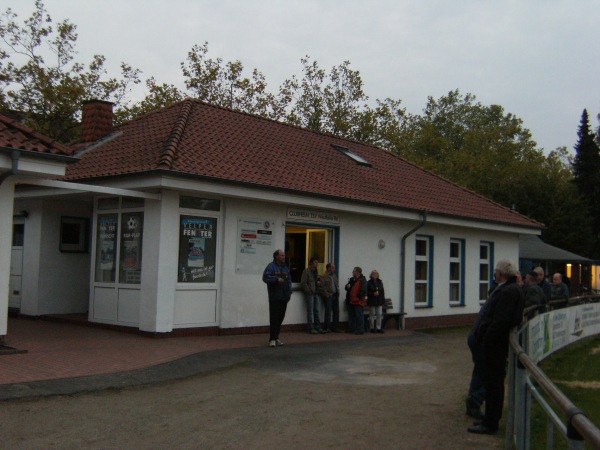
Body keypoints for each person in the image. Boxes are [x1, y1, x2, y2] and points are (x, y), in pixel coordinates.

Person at [467, 259, 525, 435]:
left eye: (496, 271)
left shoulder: (508, 292)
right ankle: (488, 419)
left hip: (494, 346)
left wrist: (486, 341)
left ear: (501, 273)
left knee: (494, 384)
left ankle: (490, 422)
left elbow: (499, 320)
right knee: (492, 383)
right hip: (495, 344)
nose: (495, 274)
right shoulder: (511, 289)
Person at [262, 249, 292, 347]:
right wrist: (276, 279)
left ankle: (276, 337)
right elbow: (265, 278)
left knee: (280, 318)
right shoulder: (271, 267)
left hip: (284, 296)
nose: (284, 257)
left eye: (284, 255)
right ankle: (272, 339)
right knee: (274, 318)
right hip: (275, 296)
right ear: (276, 256)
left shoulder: (285, 267)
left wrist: (289, 293)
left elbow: (289, 281)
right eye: (282, 255)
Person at [301, 257, 325, 334]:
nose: (317, 264)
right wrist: (309, 290)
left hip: (316, 293)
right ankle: (311, 328)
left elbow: (316, 281)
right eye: (315, 262)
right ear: (311, 263)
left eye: (317, 262)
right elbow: (303, 283)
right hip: (310, 293)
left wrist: (319, 283)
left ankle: (318, 327)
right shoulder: (306, 271)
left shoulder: (316, 272)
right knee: (310, 311)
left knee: (316, 310)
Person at [345, 266, 367, 334]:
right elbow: (346, 288)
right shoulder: (352, 279)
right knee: (351, 315)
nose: (352, 272)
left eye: (353, 271)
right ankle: (351, 328)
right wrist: (347, 286)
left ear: (358, 272)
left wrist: (358, 297)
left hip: (358, 301)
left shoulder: (363, 280)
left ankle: (360, 329)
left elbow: (363, 290)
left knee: (359, 315)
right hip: (351, 300)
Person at [319, 262, 340, 332]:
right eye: (332, 267)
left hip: (335, 295)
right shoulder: (323, 276)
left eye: (334, 267)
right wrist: (326, 294)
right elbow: (322, 287)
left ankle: (335, 327)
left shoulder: (334, 276)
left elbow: (336, 285)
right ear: (328, 268)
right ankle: (326, 327)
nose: (334, 269)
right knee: (328, 311)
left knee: (336, 312)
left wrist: (338, 292)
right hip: (329, 296)